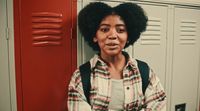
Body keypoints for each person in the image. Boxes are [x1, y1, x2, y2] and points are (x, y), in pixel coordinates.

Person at [68, 2, 166, 111]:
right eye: (105, 29)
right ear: (95, 36)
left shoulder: (144, 71)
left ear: (128, 36)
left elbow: (159, 103)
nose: (113, 36)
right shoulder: (81, 76)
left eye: (120, 30)